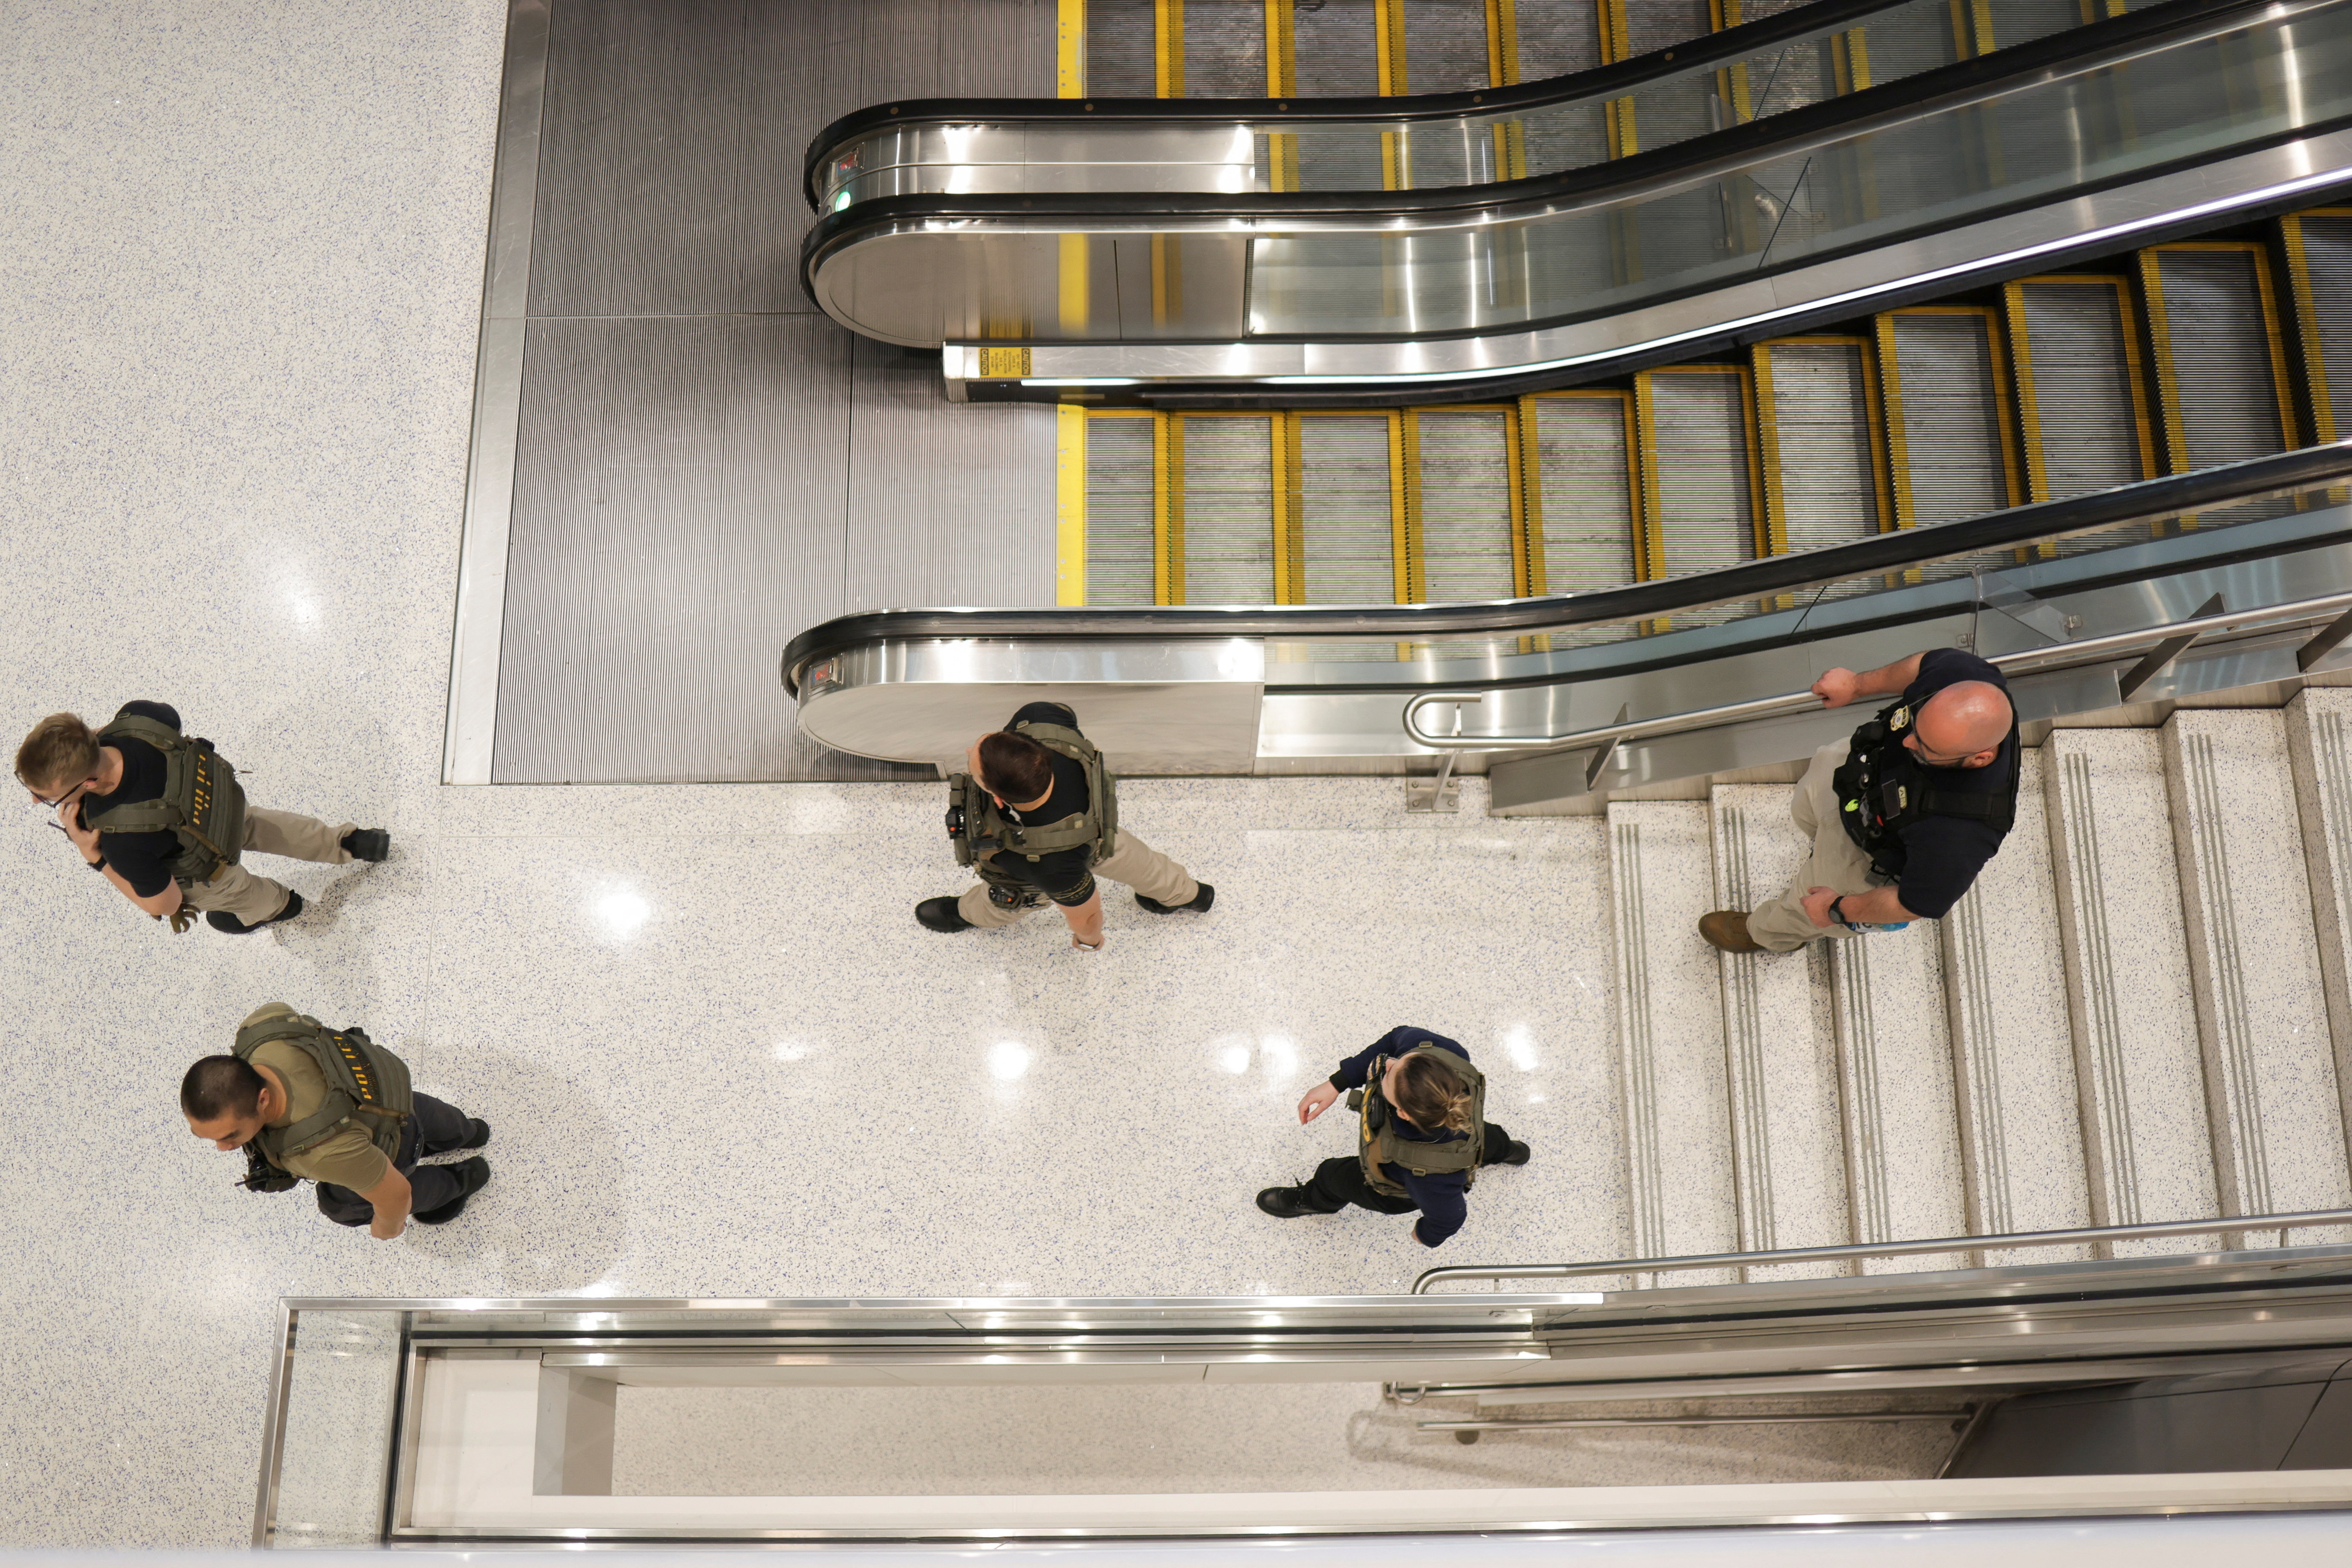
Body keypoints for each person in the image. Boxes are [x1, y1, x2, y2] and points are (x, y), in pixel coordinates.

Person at [1699, 648, 2019, 954]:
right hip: (1861, 779)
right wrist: (1856, 685)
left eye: (1927, 748)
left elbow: (1912, 905)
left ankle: (1768, 933)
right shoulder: (1965, 677)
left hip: (1868, 857)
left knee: (1804, 904)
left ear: (1979, 759)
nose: (1908, 741)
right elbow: (1924, 664)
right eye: (1916, 723)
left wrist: (1836, 907)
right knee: (1809, 799)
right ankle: (1822, 845)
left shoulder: (1962, 834)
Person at [16, 703, 388, 935]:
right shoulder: (138, 717)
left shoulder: (117, 840)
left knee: (240, 891)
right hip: (222, 806)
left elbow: (165, 904)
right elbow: (172, 719)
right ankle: (349, 842)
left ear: (91, 782)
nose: (37, 801)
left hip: (209, 868)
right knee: (266, 826)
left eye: (50, 798)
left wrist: (95, 858)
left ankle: (284, 906)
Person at [916, 700, 1213, 950]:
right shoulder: (1041, 717)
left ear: (998, 799)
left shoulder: (1052, 866)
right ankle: (1190, 895)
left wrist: (1089, 941)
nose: (969, 750)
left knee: (1002, 903)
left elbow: (1087, 914)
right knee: (1142, 863)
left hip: (1040, 869)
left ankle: (966, 913)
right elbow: (1065, 712)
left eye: (974, 766)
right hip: (1094, 831)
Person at [180, 1002, 491, 1237]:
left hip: (387, 1145)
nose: (224, 1148)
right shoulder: (262, 1025)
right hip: (386, 1095)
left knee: (339, 1204)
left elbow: (397, 1194)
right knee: (425, 1113)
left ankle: (464, 1179)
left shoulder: (320, 1152)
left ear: (263, 1099)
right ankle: (470, 1132)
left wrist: (388, 1226)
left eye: (230, 1135)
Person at [1256, 1026, 1530, 1247]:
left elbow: (1450, 1217)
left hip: (1395, 1188)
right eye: (1401, 1060)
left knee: (1332, 1175)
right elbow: (1396, 1038)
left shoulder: (1431, 1176)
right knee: (1486, 1137)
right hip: (1468, 1129)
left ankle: (1314, 1200)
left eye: (1388, 1075)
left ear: (1402, 1114)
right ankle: (1508, 1150)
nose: (1388, 1063)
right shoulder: (1445, 1055)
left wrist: (1425, 1235)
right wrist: (1336, 1083)